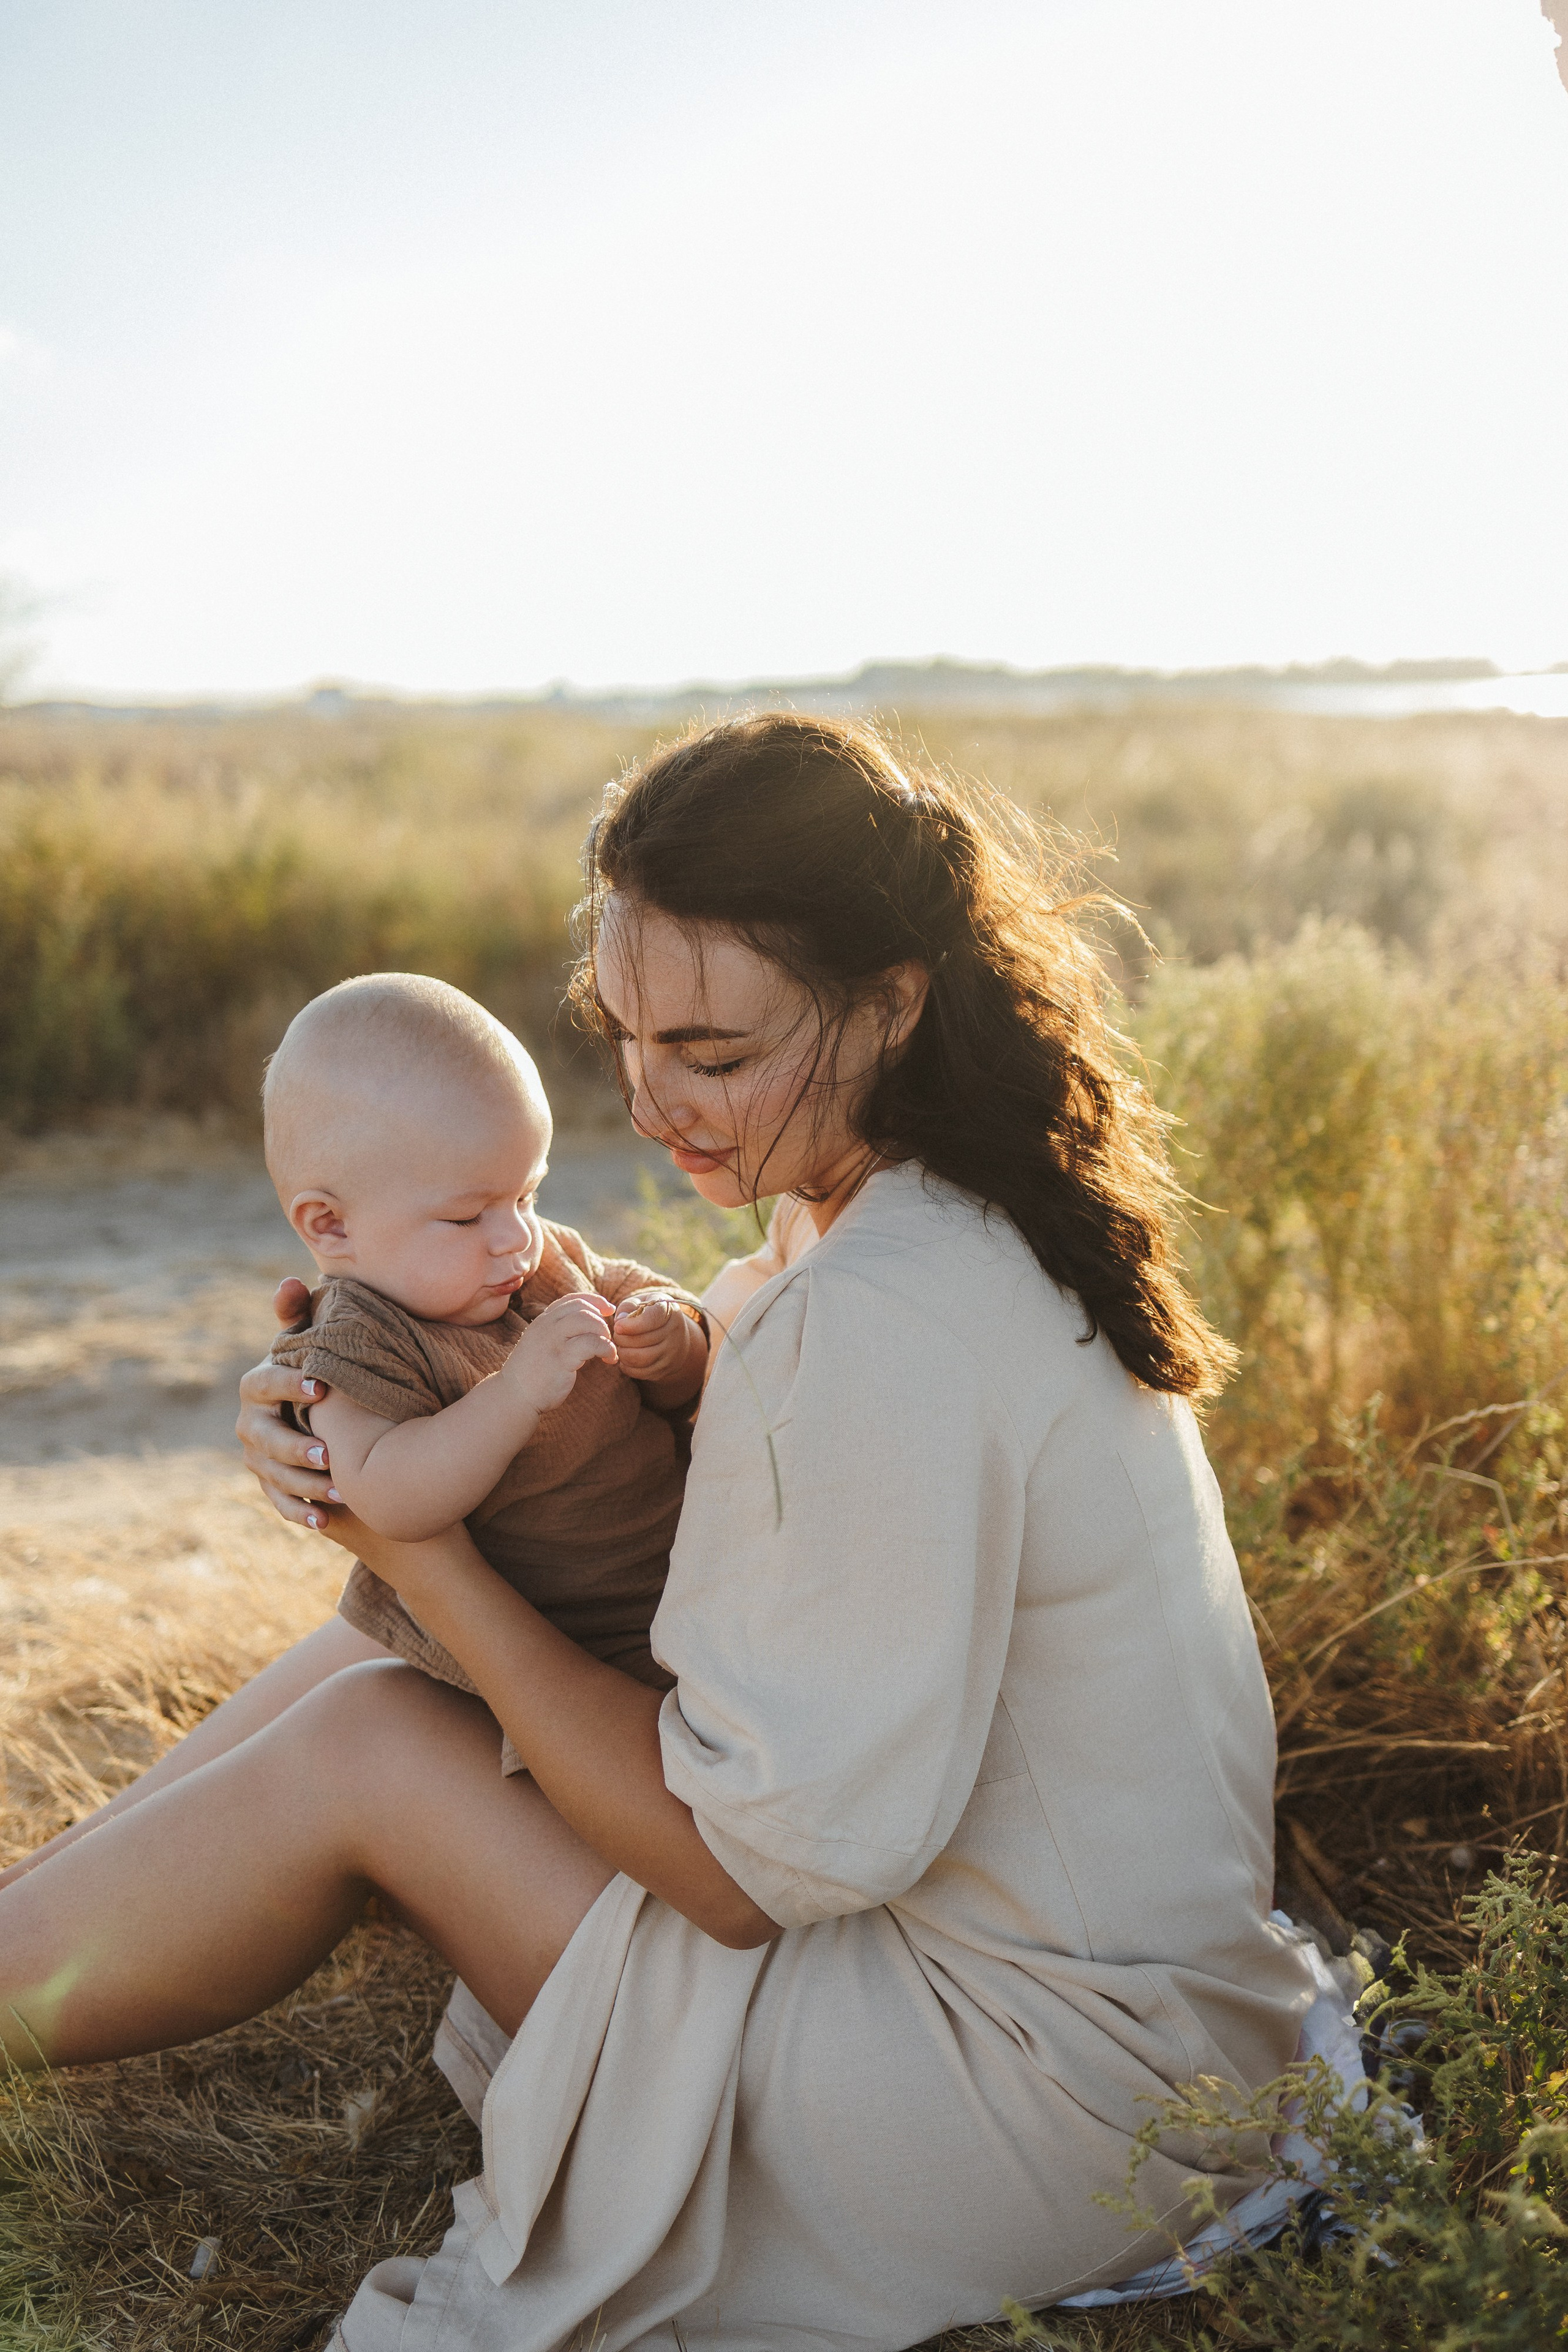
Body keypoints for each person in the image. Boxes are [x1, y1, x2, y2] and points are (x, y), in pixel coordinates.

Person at [0, 712, 1316, 2350]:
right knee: (377, 1658)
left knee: (374, 1732)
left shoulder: (887, 1315)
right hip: (1147, 2028)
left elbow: (734, 1884)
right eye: (625, 1039)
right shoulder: (928, 1212)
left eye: (713, 1053)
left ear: (892, 1003)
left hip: (1037, 2107)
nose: (653, 1102)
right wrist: (372, 1392)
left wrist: (422, 1553)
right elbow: (724, 1436)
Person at [262, 970, 708, 1759]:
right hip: (567, 1661)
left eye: (528, 1195)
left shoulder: (538, 1261)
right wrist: (515, 1395)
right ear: (330, 1227)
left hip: (695, 1590)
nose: (515, 1237)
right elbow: (391, 1501)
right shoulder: (356, 1341)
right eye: (468, 1216)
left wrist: (672, 1340)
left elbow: (672, 1339)